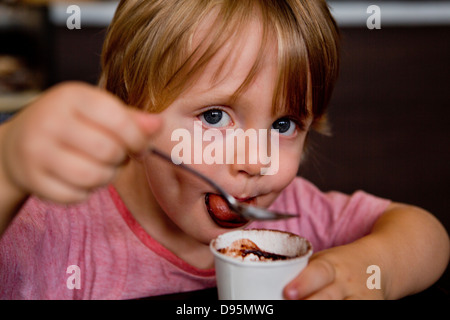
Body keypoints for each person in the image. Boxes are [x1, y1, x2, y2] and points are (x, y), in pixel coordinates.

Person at [0, 0, 448, 299]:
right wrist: (8, 167)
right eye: (215, 117)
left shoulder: (296, 218)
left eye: (284, 124)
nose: (256, 161)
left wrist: (372, 269)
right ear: (128, 107)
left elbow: (426, 234)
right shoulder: (54, 229)